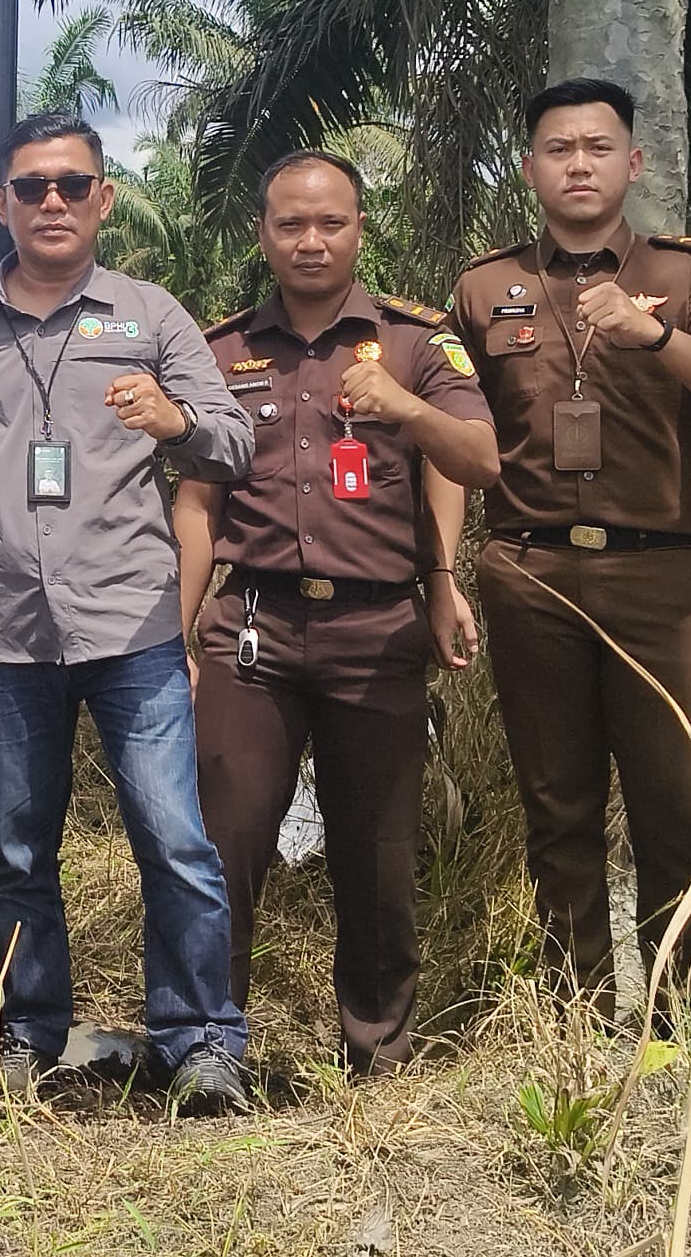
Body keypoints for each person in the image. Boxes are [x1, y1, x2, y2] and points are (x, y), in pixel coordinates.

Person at [0, 110, 258, 1111]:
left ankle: (201, 1037)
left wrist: (173, 421)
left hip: (131, 626)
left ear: (104, 199)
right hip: (1, 630)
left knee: (171, 835)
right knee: (11, 843)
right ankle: (27, 1030)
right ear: (0, 202)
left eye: (73, 185)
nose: (53, 201)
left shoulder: (149, 313)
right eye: (33, 185)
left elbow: (234, 442)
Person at [173, 150, 497, 1072]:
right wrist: (174, 636)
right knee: (226, 840)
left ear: (361, 227)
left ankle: (378, 1049)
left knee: (379, 848)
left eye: (331, 223)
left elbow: (476, 460)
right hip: (251, 631)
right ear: (264, 234)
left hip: (378, 630)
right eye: (290, 224)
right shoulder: (220, 351)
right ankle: (209, 1042)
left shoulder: (414, 344)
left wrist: (406, 413)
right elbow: (197, 505)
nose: (311, 241)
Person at [450, 79, 691, 1018]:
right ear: (529, 168)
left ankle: (680, 1024)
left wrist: (654, 331)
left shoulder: (686, 275)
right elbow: (449, 423)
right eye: (557, 149)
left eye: (596, 148)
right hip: (529, 567)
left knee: (677, 811)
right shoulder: (482, 286)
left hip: (656, 575)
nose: (577, 164)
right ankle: (576, 1019)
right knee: (559, 808)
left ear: (633, 163)